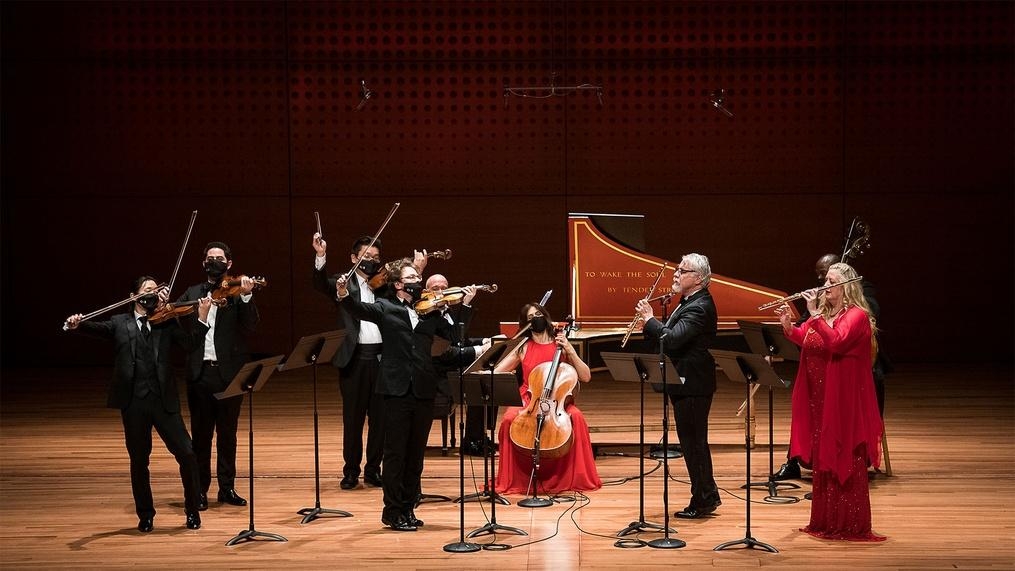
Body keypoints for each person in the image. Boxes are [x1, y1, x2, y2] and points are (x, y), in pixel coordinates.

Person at [336, 259, 475, 531]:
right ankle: (392, 511)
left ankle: (409, 508)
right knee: (395, 453)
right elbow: (357, 308)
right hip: (395, 389)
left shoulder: (429, 312)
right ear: (399, 284)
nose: (417, 281)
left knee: (415, 454)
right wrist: (343, 293)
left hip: (423, 388)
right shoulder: (385, 308)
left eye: (417, 277)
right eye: (411, 277)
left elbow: (456, 335)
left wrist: (465, 306)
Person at [65, 276, 209, 533]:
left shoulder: (166, 319)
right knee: (139, 461)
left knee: (187, 454)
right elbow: (96, 328)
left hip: (164, 401)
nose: (153, 294)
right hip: (134, 404)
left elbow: (190, 344)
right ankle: (145, 514)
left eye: (156, 289)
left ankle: (192, 509)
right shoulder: (120, 323)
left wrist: (202, 317)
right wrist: (78, 323)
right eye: (147, 290)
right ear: (134, 296)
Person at [776, 262, 885, 541]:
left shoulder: (857, 315)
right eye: (825, 281)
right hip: (819, 396)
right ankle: (825, 520)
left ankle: (849, 522)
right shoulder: (826, 314)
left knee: (843, 450)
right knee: (823, 452)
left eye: (831, 282)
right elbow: (809, 339)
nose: (825, 286)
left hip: (843, 397)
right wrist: (789, 327)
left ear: (846, 287)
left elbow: (836, 342)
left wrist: (813, 314)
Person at [635, 253, 721, 519]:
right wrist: (649, 327)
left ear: (698, 278)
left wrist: (650, 320)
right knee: (692, 443)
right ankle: (707, 495)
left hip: (693, 383)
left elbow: (673, 339)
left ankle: (704, 499)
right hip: (684, 382)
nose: (676, 274)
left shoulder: (700, 306)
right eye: (677, 269)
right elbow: (670, 337)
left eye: (682, 271)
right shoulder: (689, 301)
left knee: (694, 444)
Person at [178, 241, 259, 510]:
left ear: (229, 263)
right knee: (201, 438)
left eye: (220, 258)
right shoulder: (192, 292)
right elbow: (173, 316)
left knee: (227, 436)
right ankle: (200, 490)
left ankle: (227, 488)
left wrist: (246, 295)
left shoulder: (236, 293)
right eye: (210, 258)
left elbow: (250, 325)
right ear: (204, 263)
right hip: (200, 374)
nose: (215, 261)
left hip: (228, 375)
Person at [493, 303, 602, 495]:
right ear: (526, 324)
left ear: (545, 316)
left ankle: (572, 477)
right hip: (530, 399)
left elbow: (585, 376)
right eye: (530, 317)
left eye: (538, 314)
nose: (536, 318)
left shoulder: (561, 344)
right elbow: (498, 371)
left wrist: (570, 350)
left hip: (557, 399)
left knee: (576, 418)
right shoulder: (523, 347)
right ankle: (516, 479)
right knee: (509, 419)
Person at [312, 234, 386, 490]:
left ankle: (373, 470)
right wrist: (320, 255)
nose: (372, 261)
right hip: (354, 359)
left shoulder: (384, 285)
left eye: (376, 257)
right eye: (366, 256)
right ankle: (351, 470)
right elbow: (320, 283)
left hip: (382, 358)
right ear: (354, 258)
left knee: (380, 420)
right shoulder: (342, 283)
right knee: (353, 420)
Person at [424, 273, 492, 457]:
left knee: (488, 381)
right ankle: (473, 441)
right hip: (439, 377)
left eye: (444, 288)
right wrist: (480, 349)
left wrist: (485, 340)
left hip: (450, 370)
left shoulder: (447, 312)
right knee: (479, 387)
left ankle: (477, 437)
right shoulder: (428, 315)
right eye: (435, 288)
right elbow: (448, 351)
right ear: (426, 292)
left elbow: (459, 340)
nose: (441, 292)